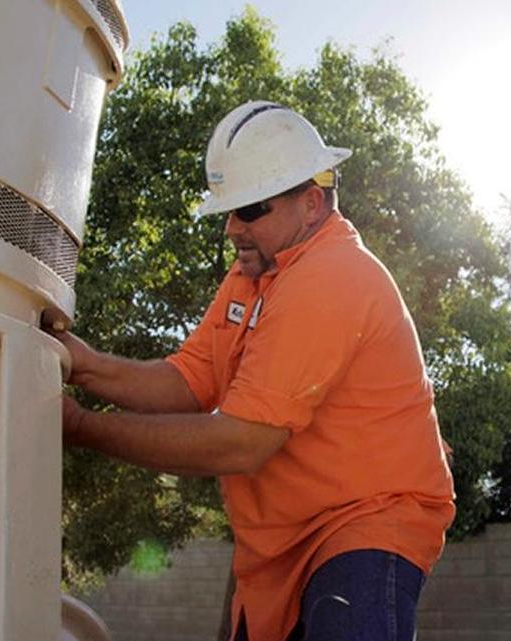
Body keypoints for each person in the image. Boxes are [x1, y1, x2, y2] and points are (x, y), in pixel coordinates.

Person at [56, 101, 455, 641]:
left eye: (249, 210)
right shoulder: (251, 276)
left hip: (367, 522)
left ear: (311, 203)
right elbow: (188, 380)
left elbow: (241, 442)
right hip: (280, 542)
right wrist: (84, 365)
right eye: (229, 211)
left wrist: (80, 427)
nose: (231, 229)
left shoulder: (332, 276)